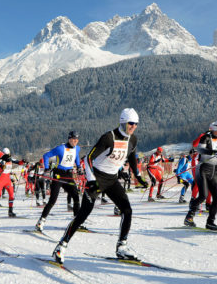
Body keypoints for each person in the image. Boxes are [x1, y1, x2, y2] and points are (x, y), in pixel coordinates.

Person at [52, 108, 148, 264]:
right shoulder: (108, 137)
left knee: (127, 210)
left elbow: (131, 156)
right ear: (123, 122)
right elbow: (88, 159)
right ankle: (61, 246)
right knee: (83, 214)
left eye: (136, 124)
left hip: (111, 180)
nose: (133, 127)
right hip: (97, 178)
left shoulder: (133, 139)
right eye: (131, 124)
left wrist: (138, 176)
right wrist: (91, 180)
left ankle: (122, 247)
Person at [184, 119, 217, 231]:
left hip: (213, 170)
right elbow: (200, 149)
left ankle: (210, 222)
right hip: (202, 169)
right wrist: (212, 152)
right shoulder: (206, 137)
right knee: (203, 195)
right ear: (215, 129)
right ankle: (189, 217)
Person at [35, 131, 82, 231]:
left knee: (76, 196)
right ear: (69, 139)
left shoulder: (77, 148)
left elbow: (76, 156)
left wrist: (79, 167)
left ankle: (76, 222)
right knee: (53, 199)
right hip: (58, 175)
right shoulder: (61, 148)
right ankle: (41, 221)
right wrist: (47, 169)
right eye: (73, 139)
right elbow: (46, 156)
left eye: (77, 139)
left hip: (69, 175)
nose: (75, 141)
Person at [0, 148, 25, 218]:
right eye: (6, 155)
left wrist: (23, 161)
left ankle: (10, 211)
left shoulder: (10, 159)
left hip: (7, 180)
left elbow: (19, 162)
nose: (8, 156)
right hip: (0, 179)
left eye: (8, 154)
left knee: (12, 195)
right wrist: (1, 165)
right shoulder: (0, 158)